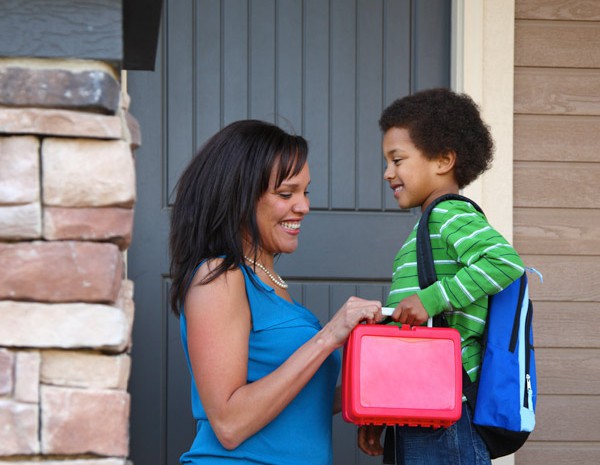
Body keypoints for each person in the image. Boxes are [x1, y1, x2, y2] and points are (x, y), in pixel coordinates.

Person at [169, 119, 382, 464]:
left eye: (305, 192)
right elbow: (229, 422)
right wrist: (328, 337)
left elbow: (295, 401)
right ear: (239, 198)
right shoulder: (219, 277)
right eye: (286, 194)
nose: (303, 206)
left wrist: (370, 395)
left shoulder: (268, 282)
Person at [357, 88, 525, 465]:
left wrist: (433, 298)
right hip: (419, 404)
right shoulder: (426, 228)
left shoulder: (449, 215)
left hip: (446, 412)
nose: (387, 173)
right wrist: (379, 414)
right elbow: (412, 336)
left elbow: (504, 262)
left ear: (444, 159)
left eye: (397, 159)